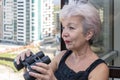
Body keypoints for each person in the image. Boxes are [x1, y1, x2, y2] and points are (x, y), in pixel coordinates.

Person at [15, 0, 109, 80]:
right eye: (64, 28)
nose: (64, 34)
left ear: (88, 34)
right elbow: (40, 77)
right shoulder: (61, 56)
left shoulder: (100, 69)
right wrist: (29, 64)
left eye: (71, 28)